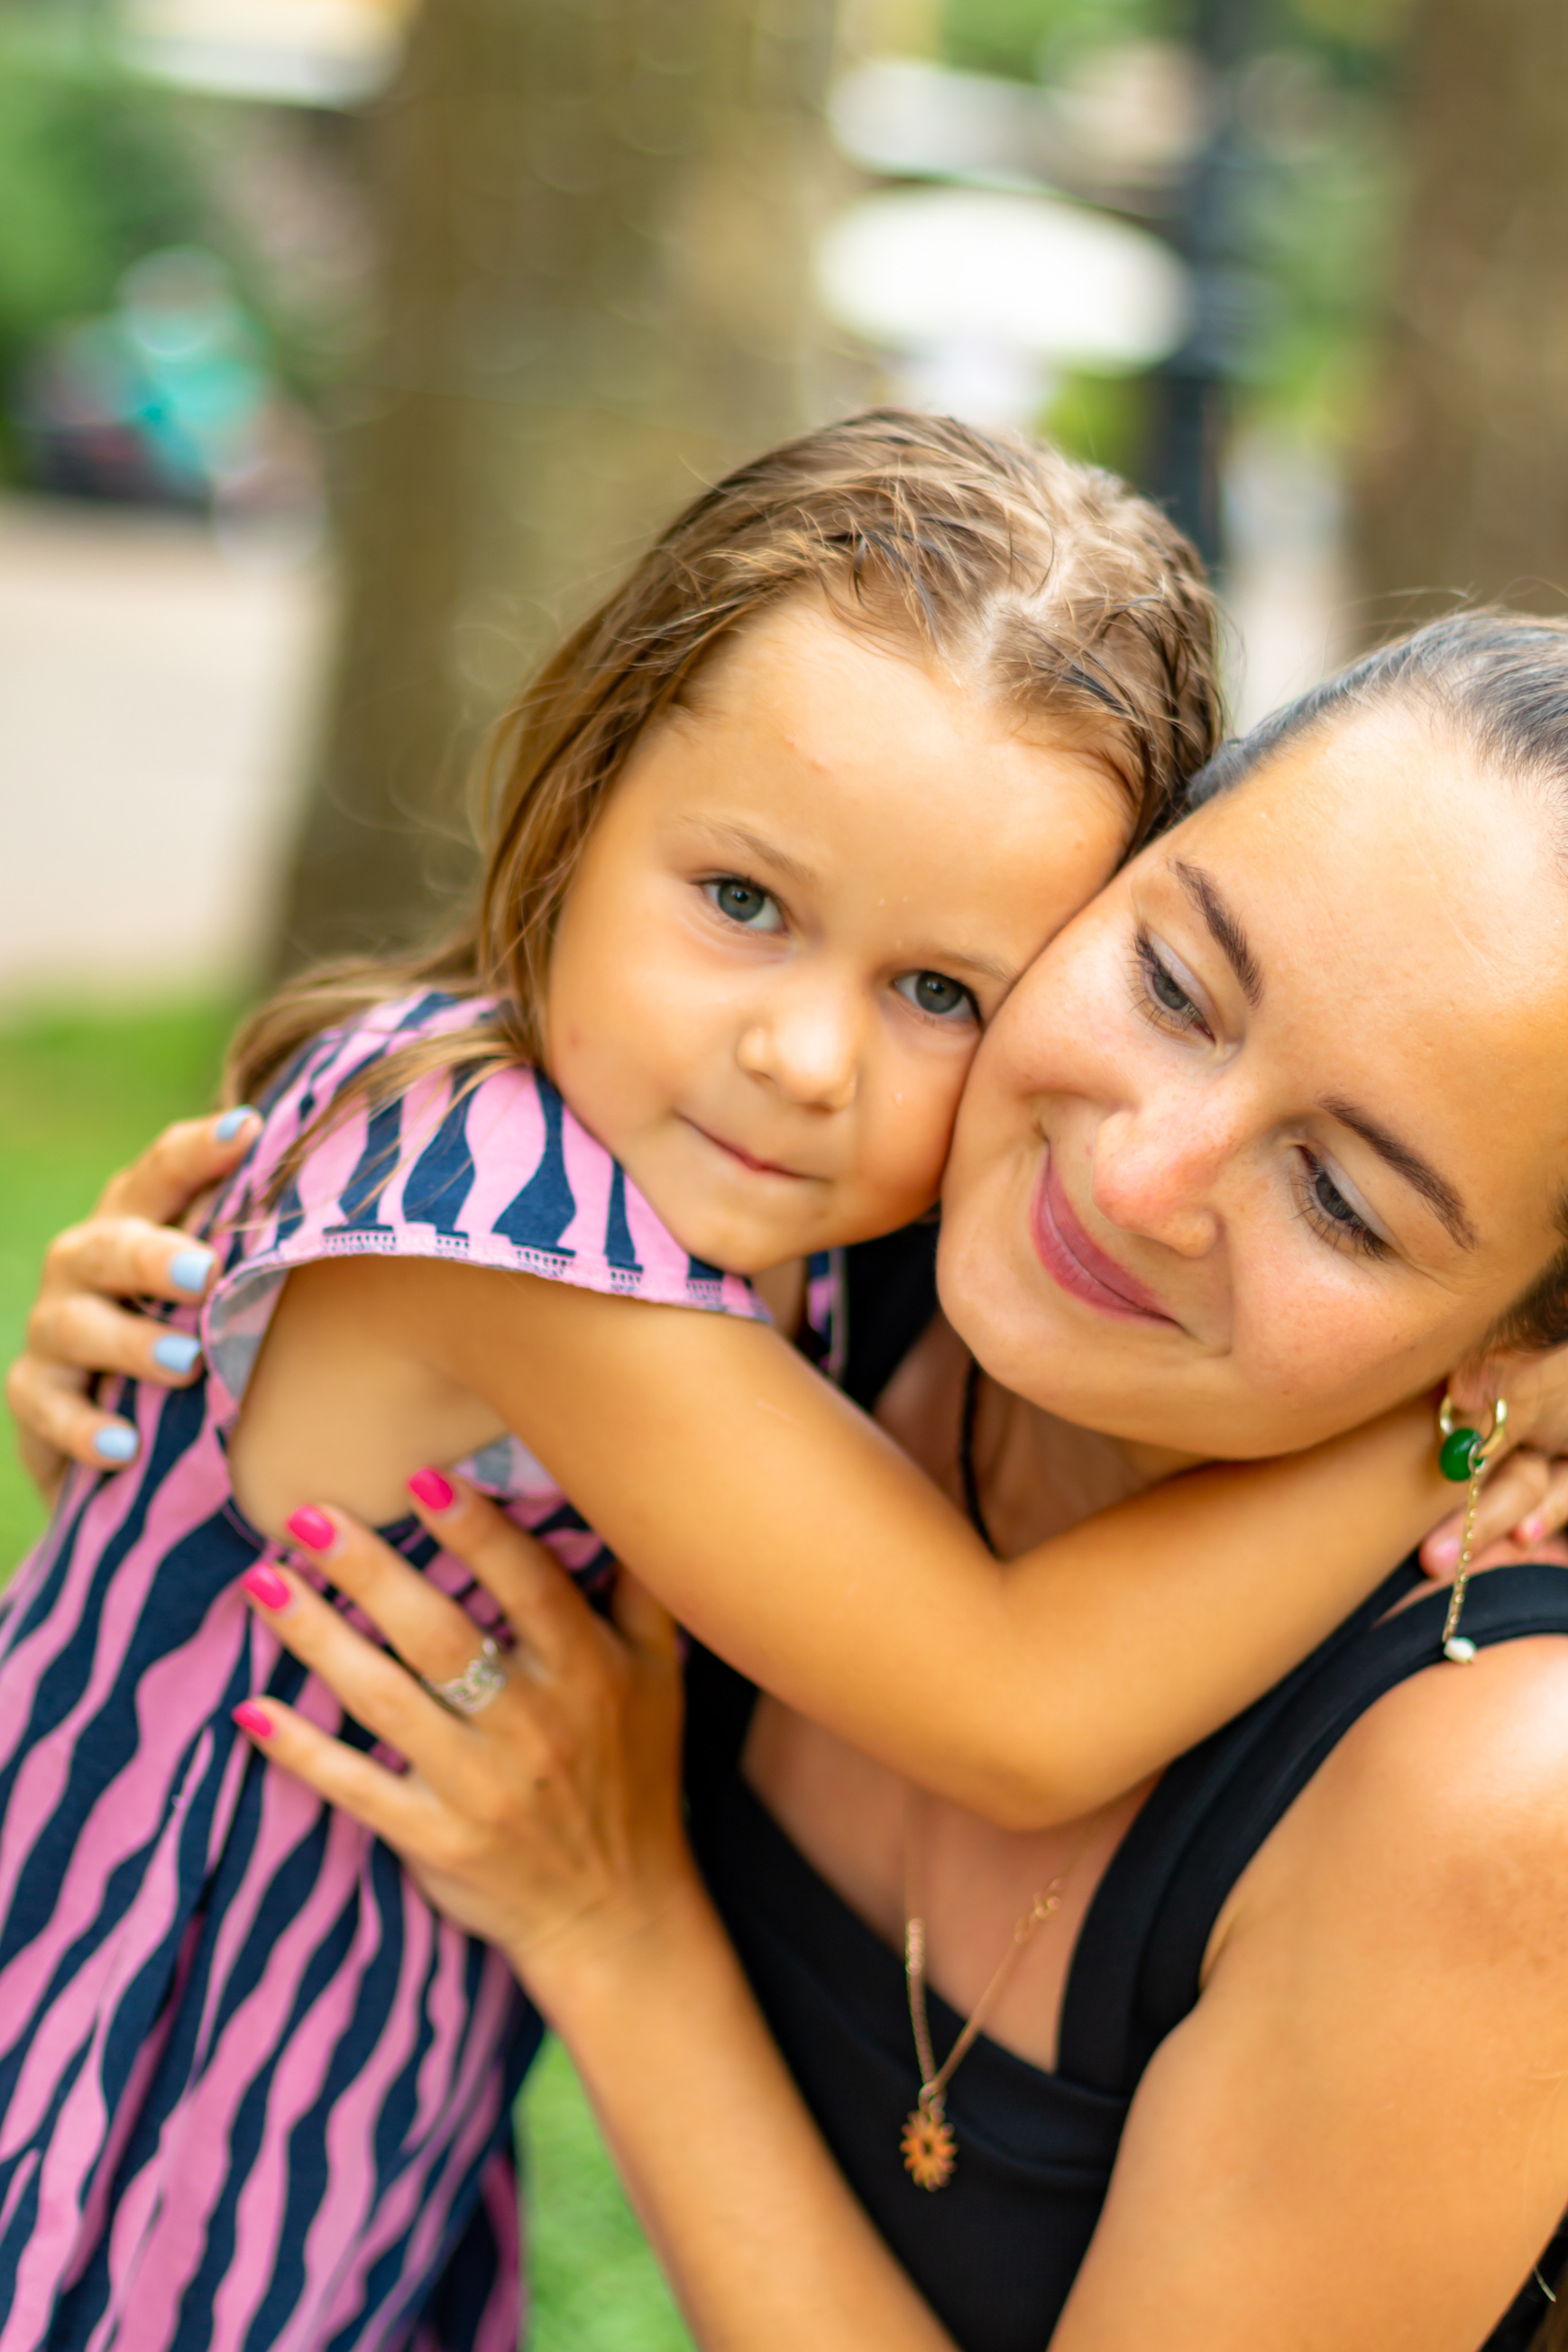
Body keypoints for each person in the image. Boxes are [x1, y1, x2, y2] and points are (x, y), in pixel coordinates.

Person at [6, 410, 1507, 2352]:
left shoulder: (750, 1228)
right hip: (124, 2150)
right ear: (585, 786)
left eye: (942, 991)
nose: (806, 1056)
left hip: (314, 2134)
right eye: (741, 902)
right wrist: (1446, 1428)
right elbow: (1017, 1702)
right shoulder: (502, 1213)